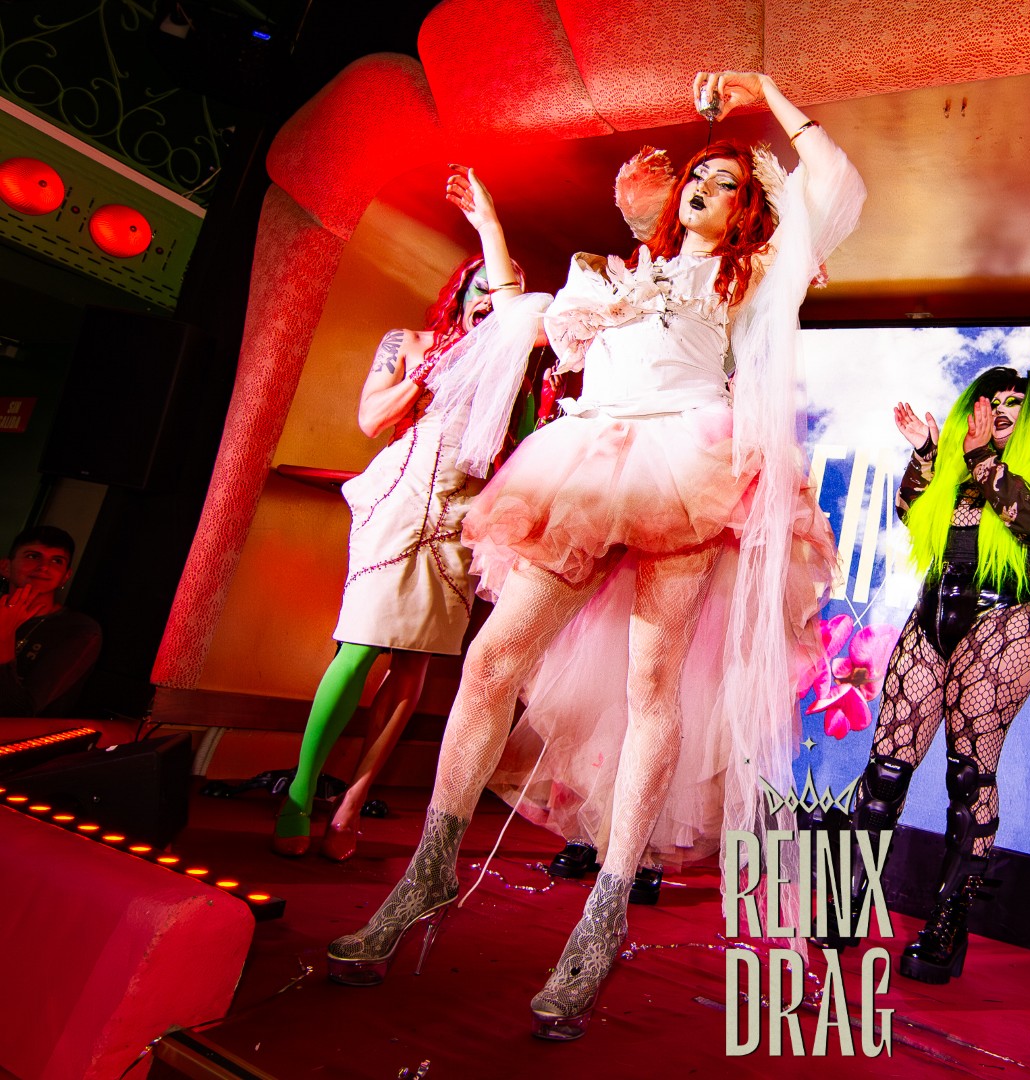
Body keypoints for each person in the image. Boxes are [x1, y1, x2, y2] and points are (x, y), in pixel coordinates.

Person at [326, 70, 864, 1042]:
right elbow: (516, 316)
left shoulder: (750, 278)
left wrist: (766, 89)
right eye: (697, 176)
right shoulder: (608, 279)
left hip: (688, 465)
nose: (705, 188)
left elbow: (829, 176)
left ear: (750, 211)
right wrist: (493, 227)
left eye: (728, 184)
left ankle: (606, 911)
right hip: (587, 460)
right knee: (491, 661)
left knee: (653, 682)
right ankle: (429, 871)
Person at [835, 362, 1030, 983]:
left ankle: (946, 925)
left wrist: (982, 456)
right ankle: (845, 900)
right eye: (996, 401)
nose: (1004, 411)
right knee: (885, 768)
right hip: (934, 609)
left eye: (1017, 404)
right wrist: (929, 455)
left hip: (1006, 618)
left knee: (969, 772)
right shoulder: (963, 470)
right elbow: (912, 515)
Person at [271, 242, 535, 861]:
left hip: (460, 514)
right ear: (462, 290)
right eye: (484, 286)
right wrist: (431, 371)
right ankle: (300, 795)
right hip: (400, 496)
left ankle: (351, 803)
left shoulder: (516, 373)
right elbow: (371, 421)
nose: (491, 300)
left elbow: (520, 453)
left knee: (415, 665)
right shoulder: (409, 343)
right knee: (359, 645)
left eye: (506, 293)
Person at [0, 526, 100, 717]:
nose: (44, 567)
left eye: (57, 561)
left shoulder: (79, 630)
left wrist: (3, 635)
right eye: (32, 556)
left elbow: (18, 711)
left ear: (65, 576)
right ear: (6, 567)